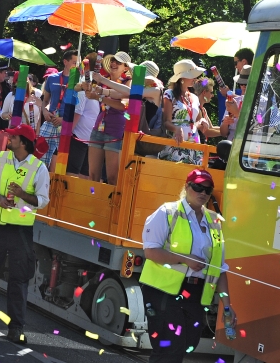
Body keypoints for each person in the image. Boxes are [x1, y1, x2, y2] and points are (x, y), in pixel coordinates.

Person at [140, 169, 235, 362]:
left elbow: (219, 268)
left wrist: (227, 306)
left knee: (187, 346)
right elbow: (150, 252)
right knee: (169, 350)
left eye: (208, 190)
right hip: (165, 291)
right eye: (197, 187)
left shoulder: (214, 222)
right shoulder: (167, 212)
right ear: (186, 187)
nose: (202, 192)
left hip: (196, 294)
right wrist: (184, 258)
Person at [0, 123, 49, 343]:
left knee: (19, 279)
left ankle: (16, 328)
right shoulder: (0, 158)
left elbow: (42, 201)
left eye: (13, 137)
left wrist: (22, 194)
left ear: (23, 142)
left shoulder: (39, 168)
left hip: (20, 231)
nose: (9, 138)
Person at [84, 52, 134, 184]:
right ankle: (93, 199)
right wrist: (85, 87)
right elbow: (83, 87)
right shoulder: (101, 78)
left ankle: (111, 204)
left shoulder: (128, 82)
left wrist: (100, 97)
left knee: (112, 177)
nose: (114, 64)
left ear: (126, 68)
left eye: (118, 62)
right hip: (98, 128)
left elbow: (123, 106)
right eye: (113, 61)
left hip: (116, 130)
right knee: (93, 175)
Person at [160, 60, 206, 164]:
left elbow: (197, 122)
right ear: (182, 78)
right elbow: (166, 122)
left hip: (194, 143)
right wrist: (176, 128)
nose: (195, 78)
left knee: (193, 177)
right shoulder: (169, 94)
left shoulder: (194, 97)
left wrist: (202, 122)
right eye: (191, 75)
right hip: (175, 144)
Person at [39, 50, 79, 163]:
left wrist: (64, 119)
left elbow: (80, 108)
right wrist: (45, 112)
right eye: (74, 62)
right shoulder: (52, 78)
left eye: (78, 63)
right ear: (65, 62)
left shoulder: (79, 81)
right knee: (39, 156)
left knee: (61, 161)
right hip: (50, 121)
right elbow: (45, 100)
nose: (77, 65)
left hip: (66, 125)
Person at [218, 48, 254, 121]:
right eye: (241, 83)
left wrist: (229, 94)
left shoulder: (257, 78)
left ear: (244, 62)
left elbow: (253, 100)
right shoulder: (256, 75)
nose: (235, 66)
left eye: (236, 63)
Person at [220, 65, 250, 142]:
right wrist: (225, 123)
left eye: (246, 83)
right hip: (231, 145)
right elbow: (223, 133)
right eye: (241, 83)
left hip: (249, 146)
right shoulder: (234, 101)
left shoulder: (262, 103)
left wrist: (237, 114)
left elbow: (256, 127)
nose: (243, 86)